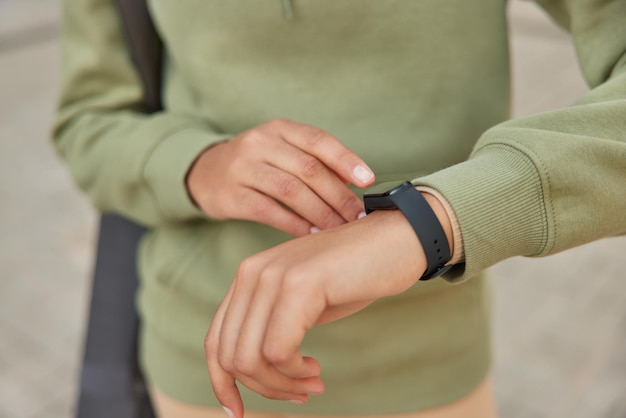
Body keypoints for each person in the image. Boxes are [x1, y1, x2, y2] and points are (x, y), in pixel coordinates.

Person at [53, 1, 626, 417]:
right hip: (206, 360)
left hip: (427, 367)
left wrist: (434, 220)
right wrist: (199, 163)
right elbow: (89, 119)